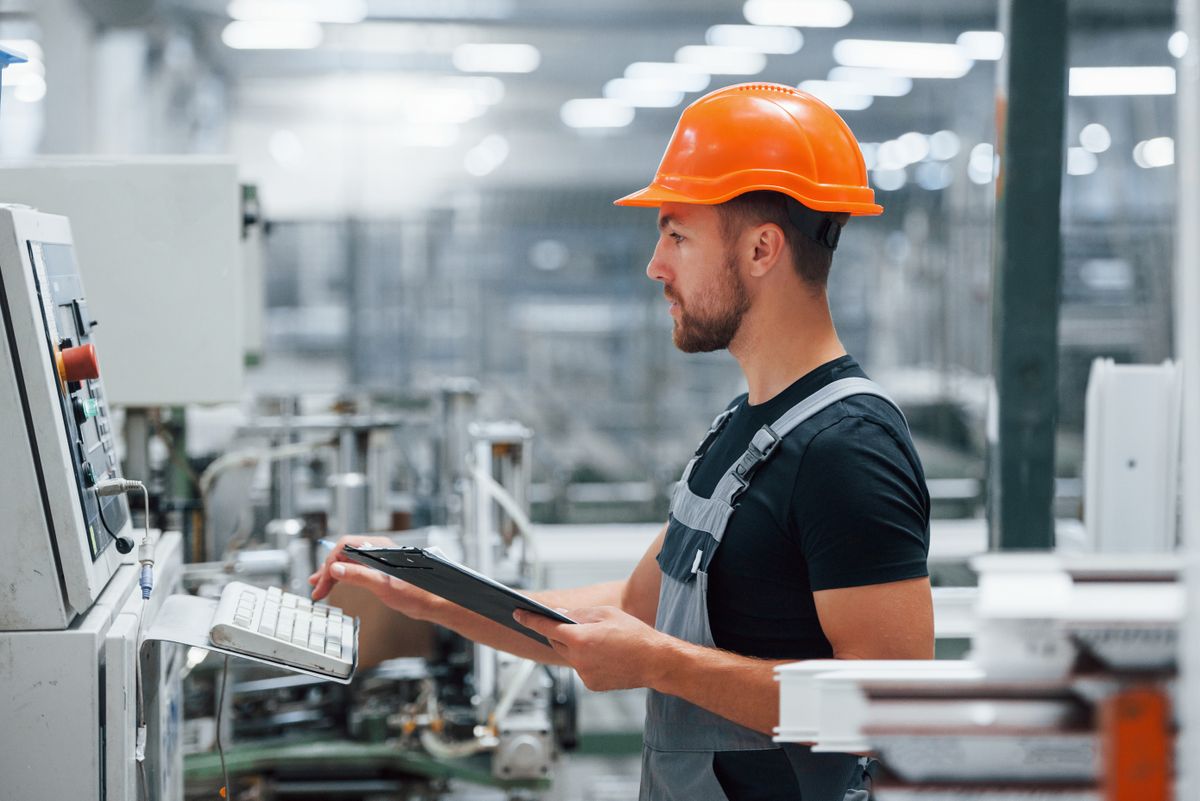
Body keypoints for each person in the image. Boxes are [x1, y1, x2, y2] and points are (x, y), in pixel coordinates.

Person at [310, 82, 934, 801]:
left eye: (676, 234)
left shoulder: (848, 447)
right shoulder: (742, 428)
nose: (654, 265)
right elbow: (633, 613)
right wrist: (430, 597)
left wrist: (661, 665)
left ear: (763, 248)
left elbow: (889, 706)